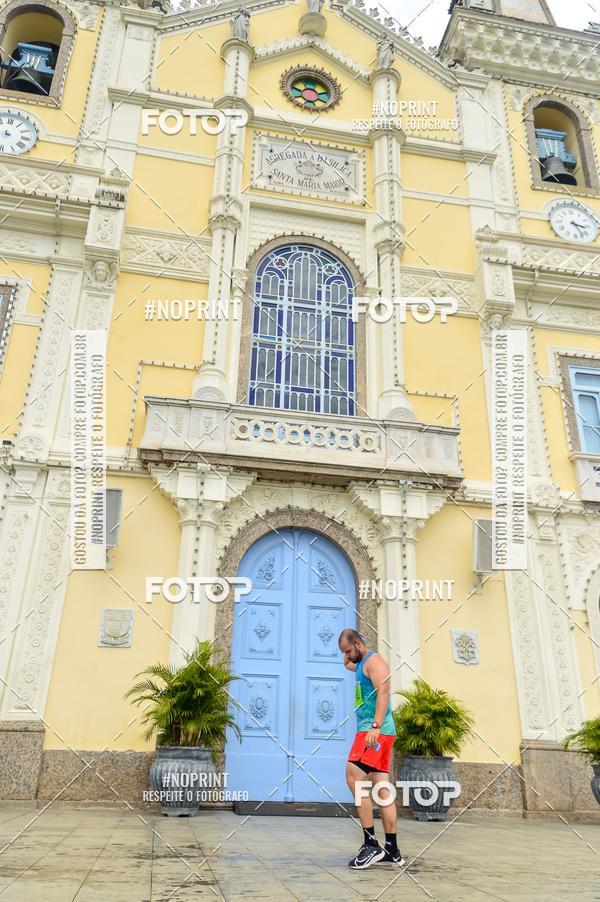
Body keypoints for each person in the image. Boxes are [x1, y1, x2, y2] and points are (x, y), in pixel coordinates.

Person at [339, 628, 404, 869]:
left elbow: (384, 692)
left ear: (358, 643)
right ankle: (392, 850)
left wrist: (375, 727)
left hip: (373, 733)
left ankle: (371, 844)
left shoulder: (375, 661)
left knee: (353, 777)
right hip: (376, 733)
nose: (347, 656)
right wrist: (348, 660)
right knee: (382, 790)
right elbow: (352, 667)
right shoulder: (362, 662)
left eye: (348, 651)